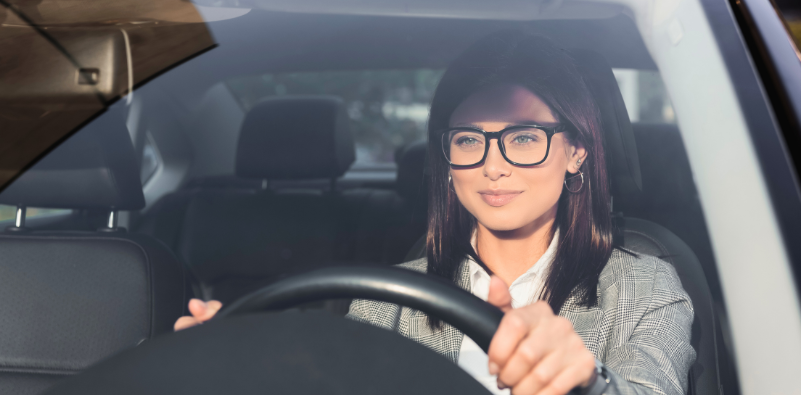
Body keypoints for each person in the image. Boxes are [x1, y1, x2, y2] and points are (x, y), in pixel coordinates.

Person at [174, 31, 696, 395]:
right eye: (469, 140)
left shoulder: (648, 287)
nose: (493, 166)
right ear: (447, 160)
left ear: (576, 151)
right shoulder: (385, 299)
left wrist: (587, 382)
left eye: (523, 137)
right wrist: (250, 367)